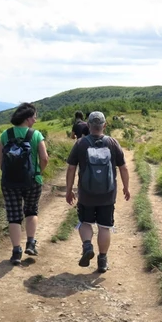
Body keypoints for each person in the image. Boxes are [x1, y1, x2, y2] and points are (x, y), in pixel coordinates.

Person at [65, 111, 130, 273]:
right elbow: (123, 167)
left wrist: (69, 190)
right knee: (104, 227)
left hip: (86, 194)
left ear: (88, 126)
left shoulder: (80, 144)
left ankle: (87, 245)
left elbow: (71, 168)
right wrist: (126, 187)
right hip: (107, 194)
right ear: (104, 126)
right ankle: (102, 260)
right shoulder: (113, 143)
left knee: (85, 222)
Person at [0, 103, 49, 265]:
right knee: (31, 210)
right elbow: (44, 158)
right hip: (33, 180)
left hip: (9, 182)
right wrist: (38, 172)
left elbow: (0, 159)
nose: (35, 119)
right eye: (34, 116)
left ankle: (16, 251)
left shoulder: (6, 134)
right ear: (27, 119)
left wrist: (9, 173)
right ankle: (31, 243)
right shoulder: (36, 135)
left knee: (14, 216)